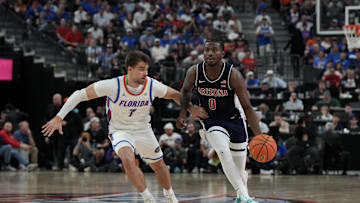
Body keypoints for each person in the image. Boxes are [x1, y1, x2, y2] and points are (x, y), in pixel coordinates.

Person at [42, 51, 204, 203]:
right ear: (130, 69)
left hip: (143, 130)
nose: (145, 73)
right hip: (120, 130)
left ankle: (169, 195)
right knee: (127, 160)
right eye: (141, 69)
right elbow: (79, 94)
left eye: (146, 69)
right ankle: (148, 198)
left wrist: (190, 109)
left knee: (159, 166)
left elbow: (175, 95)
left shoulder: (151, 85)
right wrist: (59, 116)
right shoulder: (113, 85)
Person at [177, 39, 261, 203]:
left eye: (214, 50)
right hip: (211, 120)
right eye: (207, 50)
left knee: (240, 170)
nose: (210, 53)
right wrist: (185, 112)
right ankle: (244, 196)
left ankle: (241, 196)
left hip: (234, 121)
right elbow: (185, 91)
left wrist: (259, 135)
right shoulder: (194, 71)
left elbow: (248, 107)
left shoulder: (233, 74)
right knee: (222, 152)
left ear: (222, 53)